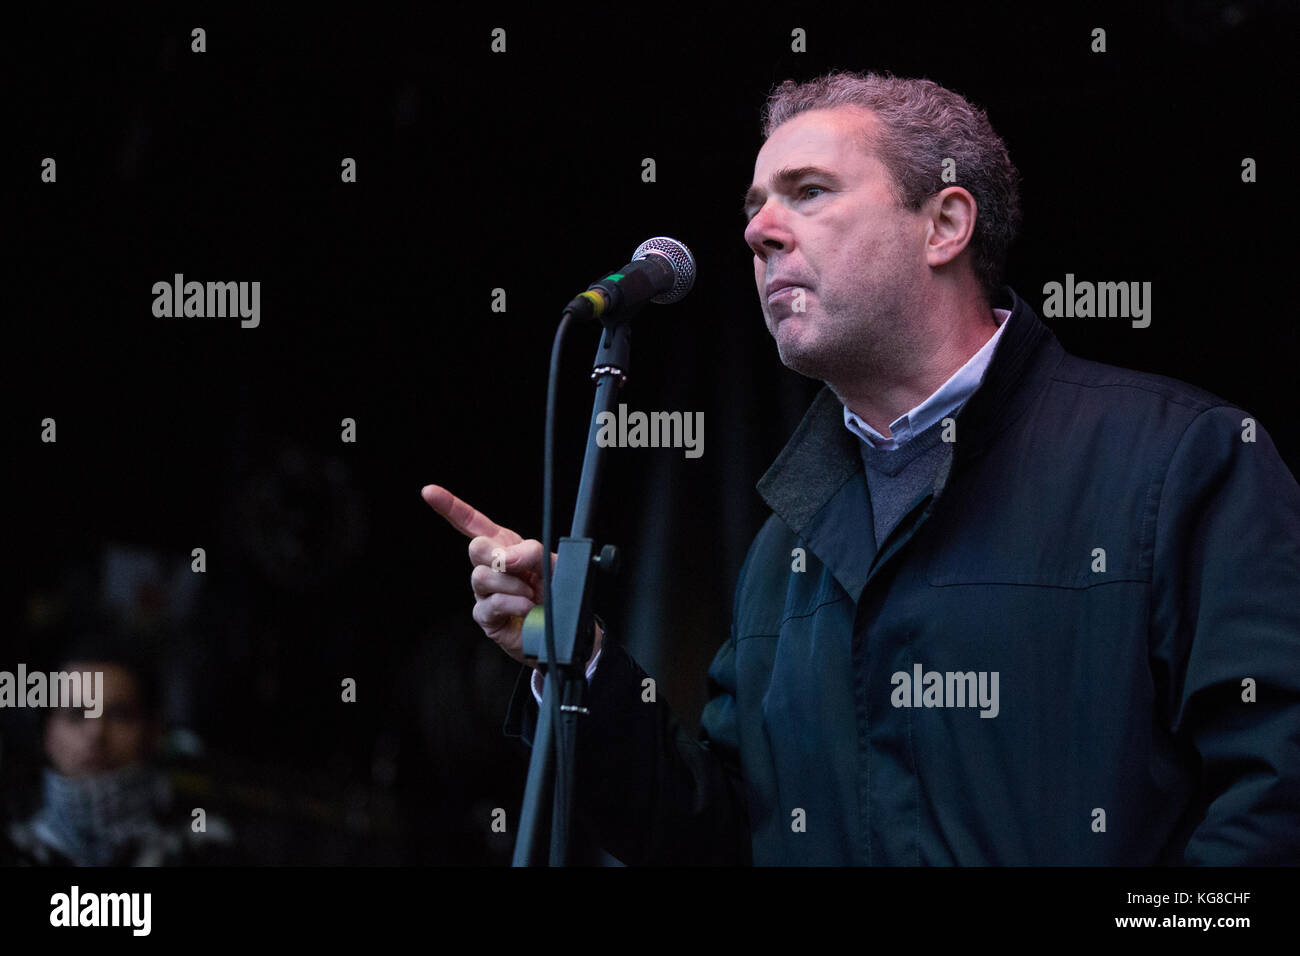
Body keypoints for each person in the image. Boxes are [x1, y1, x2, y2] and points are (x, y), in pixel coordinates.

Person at [422, 70, 1300, 865]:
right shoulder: (788, 541)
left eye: (808, 193)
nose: (758, 230)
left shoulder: (1181, 458)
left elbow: (1275, 794)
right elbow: (721, 841)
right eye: (755, 206)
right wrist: (574, 660)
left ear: (945, 225)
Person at [3, 628, 235, 866]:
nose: (96, 734)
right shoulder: (12, 847)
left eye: (119, 715)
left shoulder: (203, 845)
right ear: (47, 735)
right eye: (75, 715)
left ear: (153, 732)